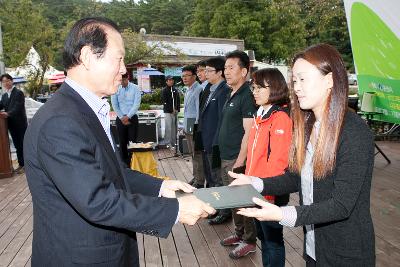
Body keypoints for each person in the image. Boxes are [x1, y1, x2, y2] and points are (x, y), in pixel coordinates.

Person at [24, 17, 215, 266]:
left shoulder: (83, 109)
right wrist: (176, 210)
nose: (124, 69)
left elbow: (111, 173)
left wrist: (161, 187)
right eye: (119, 58)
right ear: (88, 56)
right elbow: (97, 200)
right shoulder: (60, 121)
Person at [230, 44, 375, 266]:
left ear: (329, 81)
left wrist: (282, 214)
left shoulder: (354, 132)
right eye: (294, 81)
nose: (296, 88)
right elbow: (297, 177)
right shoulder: (310, 126)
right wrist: (254, 182)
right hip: (314, 247)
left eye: (303, 79)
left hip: (346, 253)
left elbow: (341, 205)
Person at [247, 68, 292, 266]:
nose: (254, 91)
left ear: (273, 88)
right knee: (263, 238)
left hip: (269, 191)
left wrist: (266, 192)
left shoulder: (279, 117)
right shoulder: (261, 114)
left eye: (259, 88)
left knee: (273, 240)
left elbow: (278, 162)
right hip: (256, 187)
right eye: (253, 87)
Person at [215, 50, 257, 258]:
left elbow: (249, 132)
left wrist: (240, 163)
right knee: (233, 200)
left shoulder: (247, 95)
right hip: (226, 155)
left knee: (244, 199)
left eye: (231, 68)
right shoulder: (231, 92)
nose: (226, 72)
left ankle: (249, 240)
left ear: (244, 71)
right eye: (225, 68)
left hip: (237, 159)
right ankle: (239, 234)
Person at [199, 56, 230, 188]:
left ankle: (218, 207)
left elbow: (221, 119)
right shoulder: (211, 89)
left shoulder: (224, 90)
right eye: (205, 71)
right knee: (210, 176)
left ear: (219, 72)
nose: (205, 74)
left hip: (214, 142)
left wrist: (214, 143)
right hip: (207, 140)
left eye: (208, 71)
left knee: (217, 178)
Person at [111, 73, 141, 165]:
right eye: (120, 80)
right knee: (122, 142)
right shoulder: (115, 88)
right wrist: (122, 117)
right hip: (120, 118)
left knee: (133, 142)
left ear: (127, 78)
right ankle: (124, 164)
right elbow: (115, 105)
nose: (122, 82)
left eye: (123, 80)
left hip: (132, 118)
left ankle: (133, 163)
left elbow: (136, 104)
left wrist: (128, 117)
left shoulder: (135, 88)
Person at [0, 74, 27, 173]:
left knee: (23, 144)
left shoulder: (18, 93)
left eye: (7, 80)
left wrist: (8, 113)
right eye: (3, 82)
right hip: (10, 124)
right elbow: (1, 105)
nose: (5, 83)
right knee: (16, 145)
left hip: (20, 124)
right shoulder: (4, 96)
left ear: (11, 81)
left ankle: (27, 165)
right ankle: (21, 164)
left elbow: (17, 107)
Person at [189, 60, 209, 188]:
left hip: (198, 125)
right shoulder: (200, 87)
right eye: (198, 70)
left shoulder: (202, 88)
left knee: (199, 155)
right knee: (195, 154)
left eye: (202, 70)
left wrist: (195, 127)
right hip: (193, 124)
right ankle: (197, 177)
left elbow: (198, 111)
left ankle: (200, 180)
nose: (199, 73)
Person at [181, 65, 202, 154]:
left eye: (187, 75)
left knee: (195, 152)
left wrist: (196, 128)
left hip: (193, 124)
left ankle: (197, 168)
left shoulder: (198, 89)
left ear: (194, 76)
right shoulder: (188, 90)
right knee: (191, 151)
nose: (184, 78)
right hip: (188, 123)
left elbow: (199, 110)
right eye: (183, 76)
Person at [161, 75, 180, 148]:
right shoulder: (164, 90)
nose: (171, 81)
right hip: (168, 112)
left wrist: (177, 109)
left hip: (175, 112)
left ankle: (174, 142)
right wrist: (171, 110)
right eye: (169, 80)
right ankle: (167, 142)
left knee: (175, 127)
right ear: (166, 81)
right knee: (168, 127)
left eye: (172, 80)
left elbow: (178, 101)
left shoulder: (175, 90)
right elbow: (164, 102)